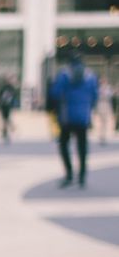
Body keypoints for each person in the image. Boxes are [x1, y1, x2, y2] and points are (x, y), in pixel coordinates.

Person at [49, 55, 99, 187]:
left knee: (64, 144)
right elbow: (95, 95)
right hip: (83, 116)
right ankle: (82, 176)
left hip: (67, 117)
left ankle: (69, 174)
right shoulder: (90, 76)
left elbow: (55, 93)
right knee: (82, 146)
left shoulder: (64, 75)